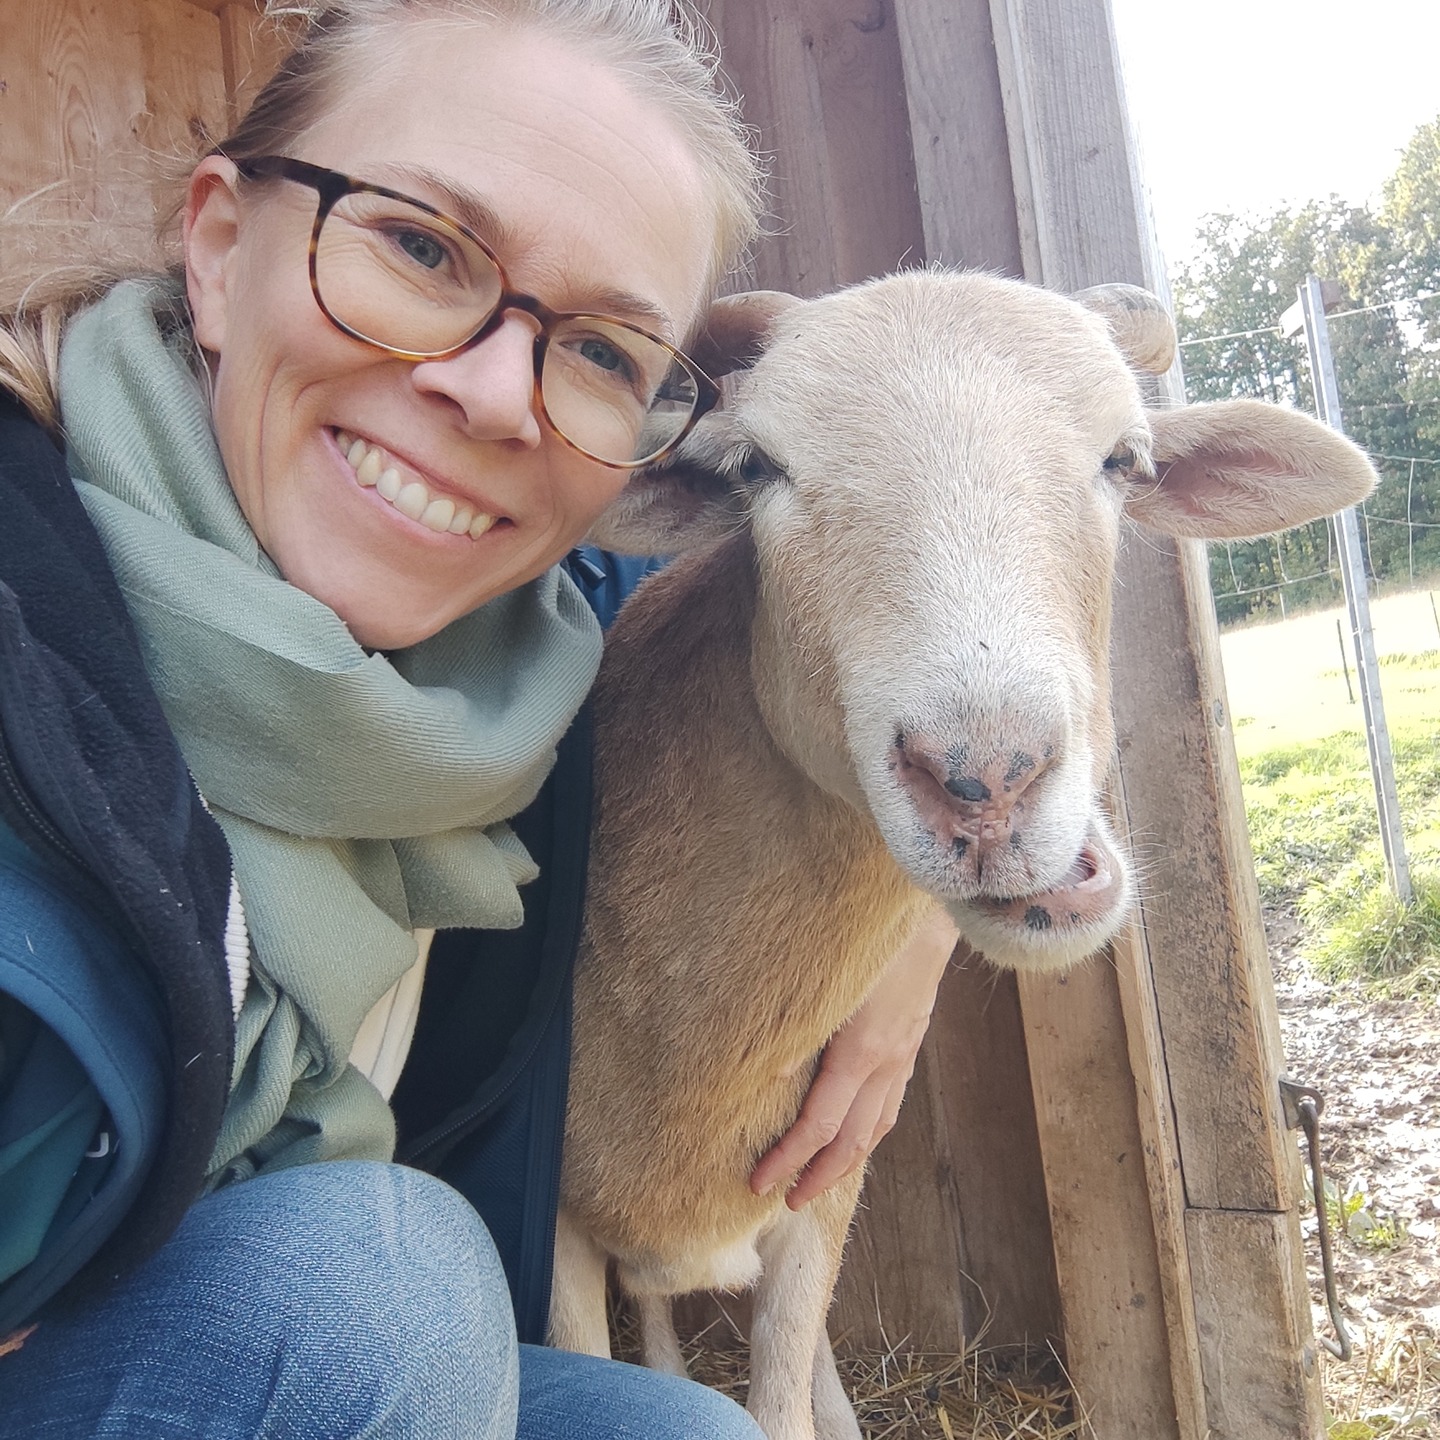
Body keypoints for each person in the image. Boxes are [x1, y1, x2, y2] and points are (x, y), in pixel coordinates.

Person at [0, 0, 958, 1433]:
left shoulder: (529, 642)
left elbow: (905, 593)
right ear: (217, 245)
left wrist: (930, 889)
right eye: (421, 248)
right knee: (378, 1286)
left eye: (602, 352)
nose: (499, 393)